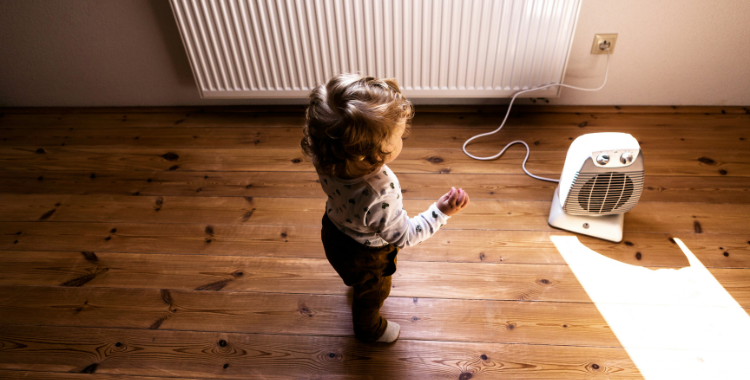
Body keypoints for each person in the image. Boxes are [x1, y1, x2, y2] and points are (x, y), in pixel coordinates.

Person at [301, 74, 470, 343]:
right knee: (372, 293)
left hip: (333, 233)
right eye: (399, 135)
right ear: (367, 153)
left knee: (354, 278)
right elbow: (404, 235)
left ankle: (356, 283)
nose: (403, 137)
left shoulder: (326, 155)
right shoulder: (380, 188)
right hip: (367, 256)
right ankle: (369, 329)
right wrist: (440, 212)